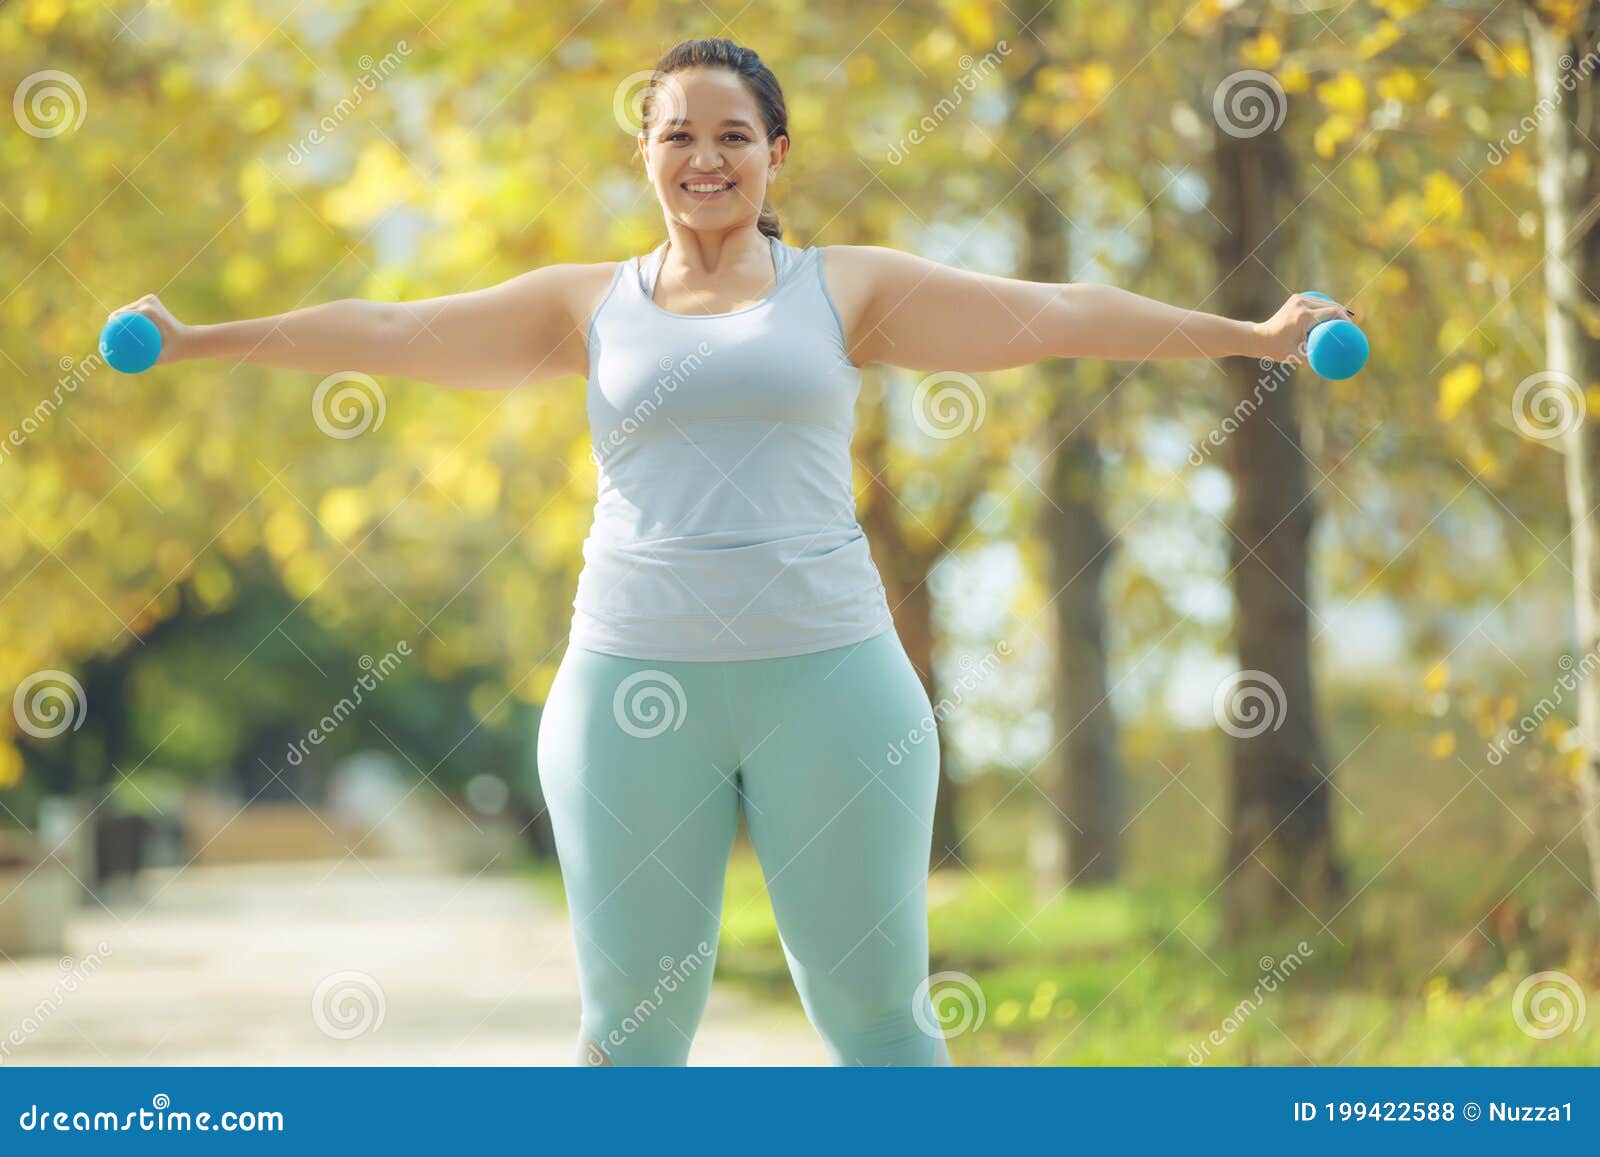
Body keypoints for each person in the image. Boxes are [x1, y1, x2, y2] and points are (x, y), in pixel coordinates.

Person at [108, 36, 1353, 1067]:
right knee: (631, 1037)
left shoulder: (842, 288)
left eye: (732, 135)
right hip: (628, 686)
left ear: (775, 153)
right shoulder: (583, 306)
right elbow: (388, 326)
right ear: (643, 151)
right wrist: (196, 338)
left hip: (833, 678)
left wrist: (1251, 332)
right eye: (677, 134)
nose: (704, 157)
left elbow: (1056, 318)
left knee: (877, 1024)